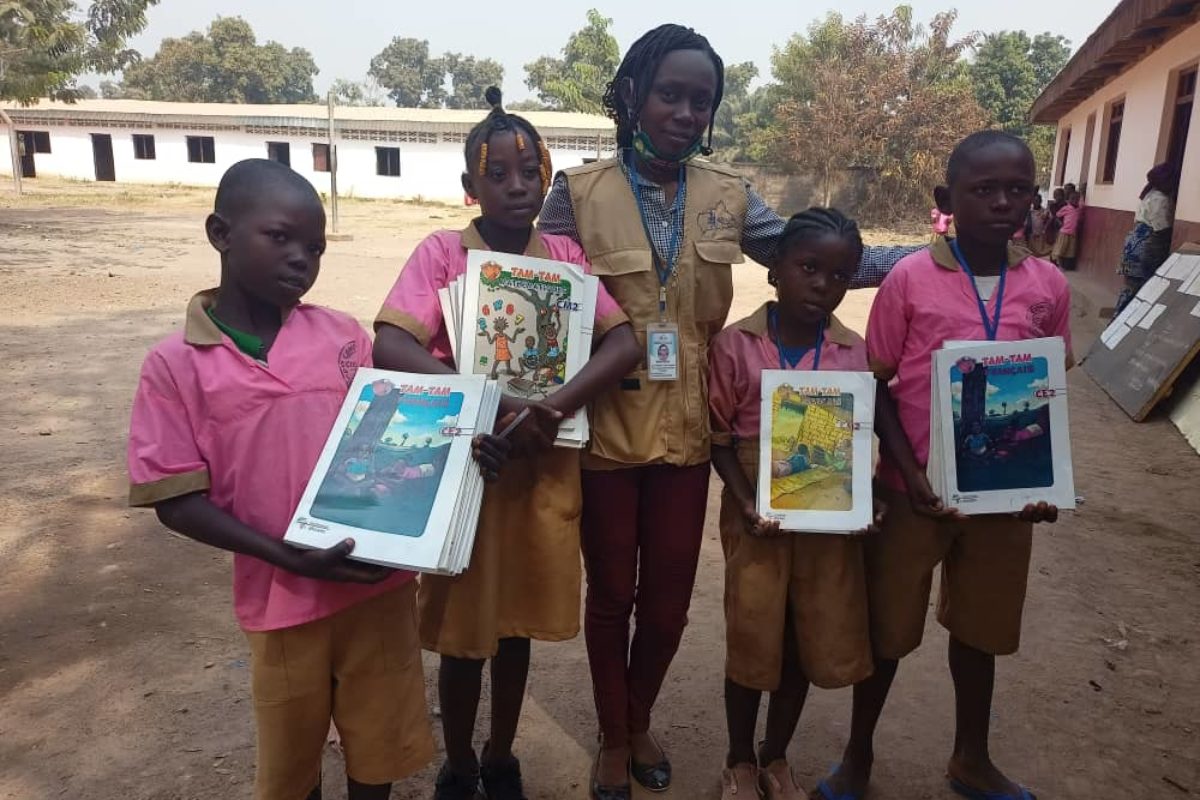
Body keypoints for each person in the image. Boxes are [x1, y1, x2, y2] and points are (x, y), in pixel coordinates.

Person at [537, 24, 920, 799]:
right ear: (635, 94)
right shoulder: (575, 195)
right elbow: (530, 294)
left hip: (687, 430)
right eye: (670, 93)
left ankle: (640, 716)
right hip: (606, 429)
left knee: (671, 603)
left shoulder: (729, 195)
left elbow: (811, 252)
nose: (684, 110)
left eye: (700, 99)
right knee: (613, 595)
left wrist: (934, 255)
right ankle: (615, 738)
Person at [127, 159, 509, 800]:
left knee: (377, 752)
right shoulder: (177, 364)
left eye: (316, 247)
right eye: (280, 237)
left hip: (378, 589)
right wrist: (284, 554)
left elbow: (388, 436)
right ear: (220, 232)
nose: (301, 258)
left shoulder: (340, 336)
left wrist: (468, 445)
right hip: (282, 601)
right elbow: (176, 499)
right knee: (293, 761)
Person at [372, 88, 641, 800]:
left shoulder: (566, 259)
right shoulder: (441, 254)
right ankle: (458, 762)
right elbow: (391, 340)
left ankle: (500, 754)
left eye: (532, 172)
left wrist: (552, 407)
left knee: (515, 628)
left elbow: (624, 343)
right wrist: (486, 403)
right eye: (499, 174)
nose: (518, 186)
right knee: (465, 635)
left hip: (540, 471)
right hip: (469, 466)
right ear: (470, 187)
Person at [817, 130, 1071, 800]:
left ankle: (970, 759)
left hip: (1003, 498)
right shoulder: (910, 279)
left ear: (1033, 197)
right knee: (887, 632)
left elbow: (1049, 388)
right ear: (946, 200)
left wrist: (1044, 481)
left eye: (1017, 188)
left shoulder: (1045, 284)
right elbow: (876, 383)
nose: (1002, 202)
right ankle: (858, 756)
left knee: (980, 633)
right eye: (983, 189)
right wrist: (911, 476)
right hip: (912, 491)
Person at [709, 208, 893, 800]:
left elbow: (861, 440)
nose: (823, 285)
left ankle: (776, 757)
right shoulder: (735, 346)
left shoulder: (851, 353)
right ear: (775, 273)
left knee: (801, 634)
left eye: (840, 275)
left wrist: (865, 504)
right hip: (755, 511)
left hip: (825, 517)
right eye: (809, 267)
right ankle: (739, 758)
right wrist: (744, 504)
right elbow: (717, 440)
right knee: (754, 631)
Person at [1116, 163, 1180, 314]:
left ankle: (1117, 322)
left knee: (1130, 289)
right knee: (1142, 291)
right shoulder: (1161, 199)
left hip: (1133, 245)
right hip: (1147, 248)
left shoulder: (1149, 195)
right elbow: (1161, 227)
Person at [1052, 189, 1082, 270]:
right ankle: (1058, 264)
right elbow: (1057, 215)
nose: (1075, 201)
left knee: (1069, 251)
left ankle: (1064, 266)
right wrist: (1060, 223)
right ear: (1069, 200)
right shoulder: (1066, 208)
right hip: (1064, 232)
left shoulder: (1078, 209)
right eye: (1073, 199)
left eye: (1077, 199)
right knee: (1060, 249)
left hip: (1072, 233)